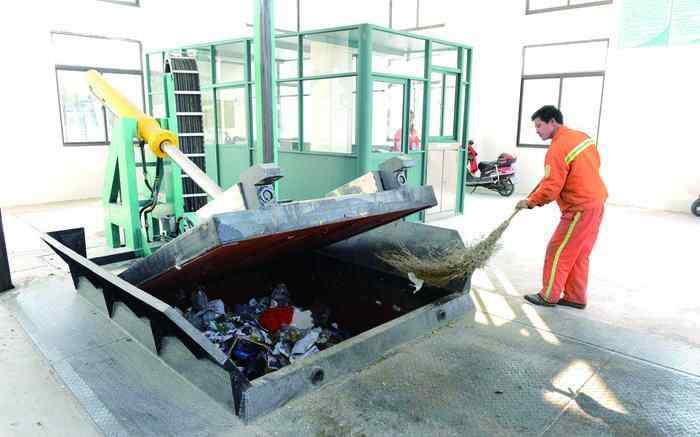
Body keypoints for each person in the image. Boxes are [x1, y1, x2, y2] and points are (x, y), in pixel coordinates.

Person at [516, 105, 607, 310]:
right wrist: (532, 194)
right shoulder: (581, 137)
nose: (537, 130)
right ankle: (575, 296)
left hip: (579, 208)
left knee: (558, 250)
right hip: (596, 203)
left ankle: (548, 296)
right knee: (578, 253)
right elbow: (562, 175)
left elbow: (551, 187)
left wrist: (531, 202)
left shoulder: (557, 148)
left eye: (539, 125)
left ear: (552, 122)